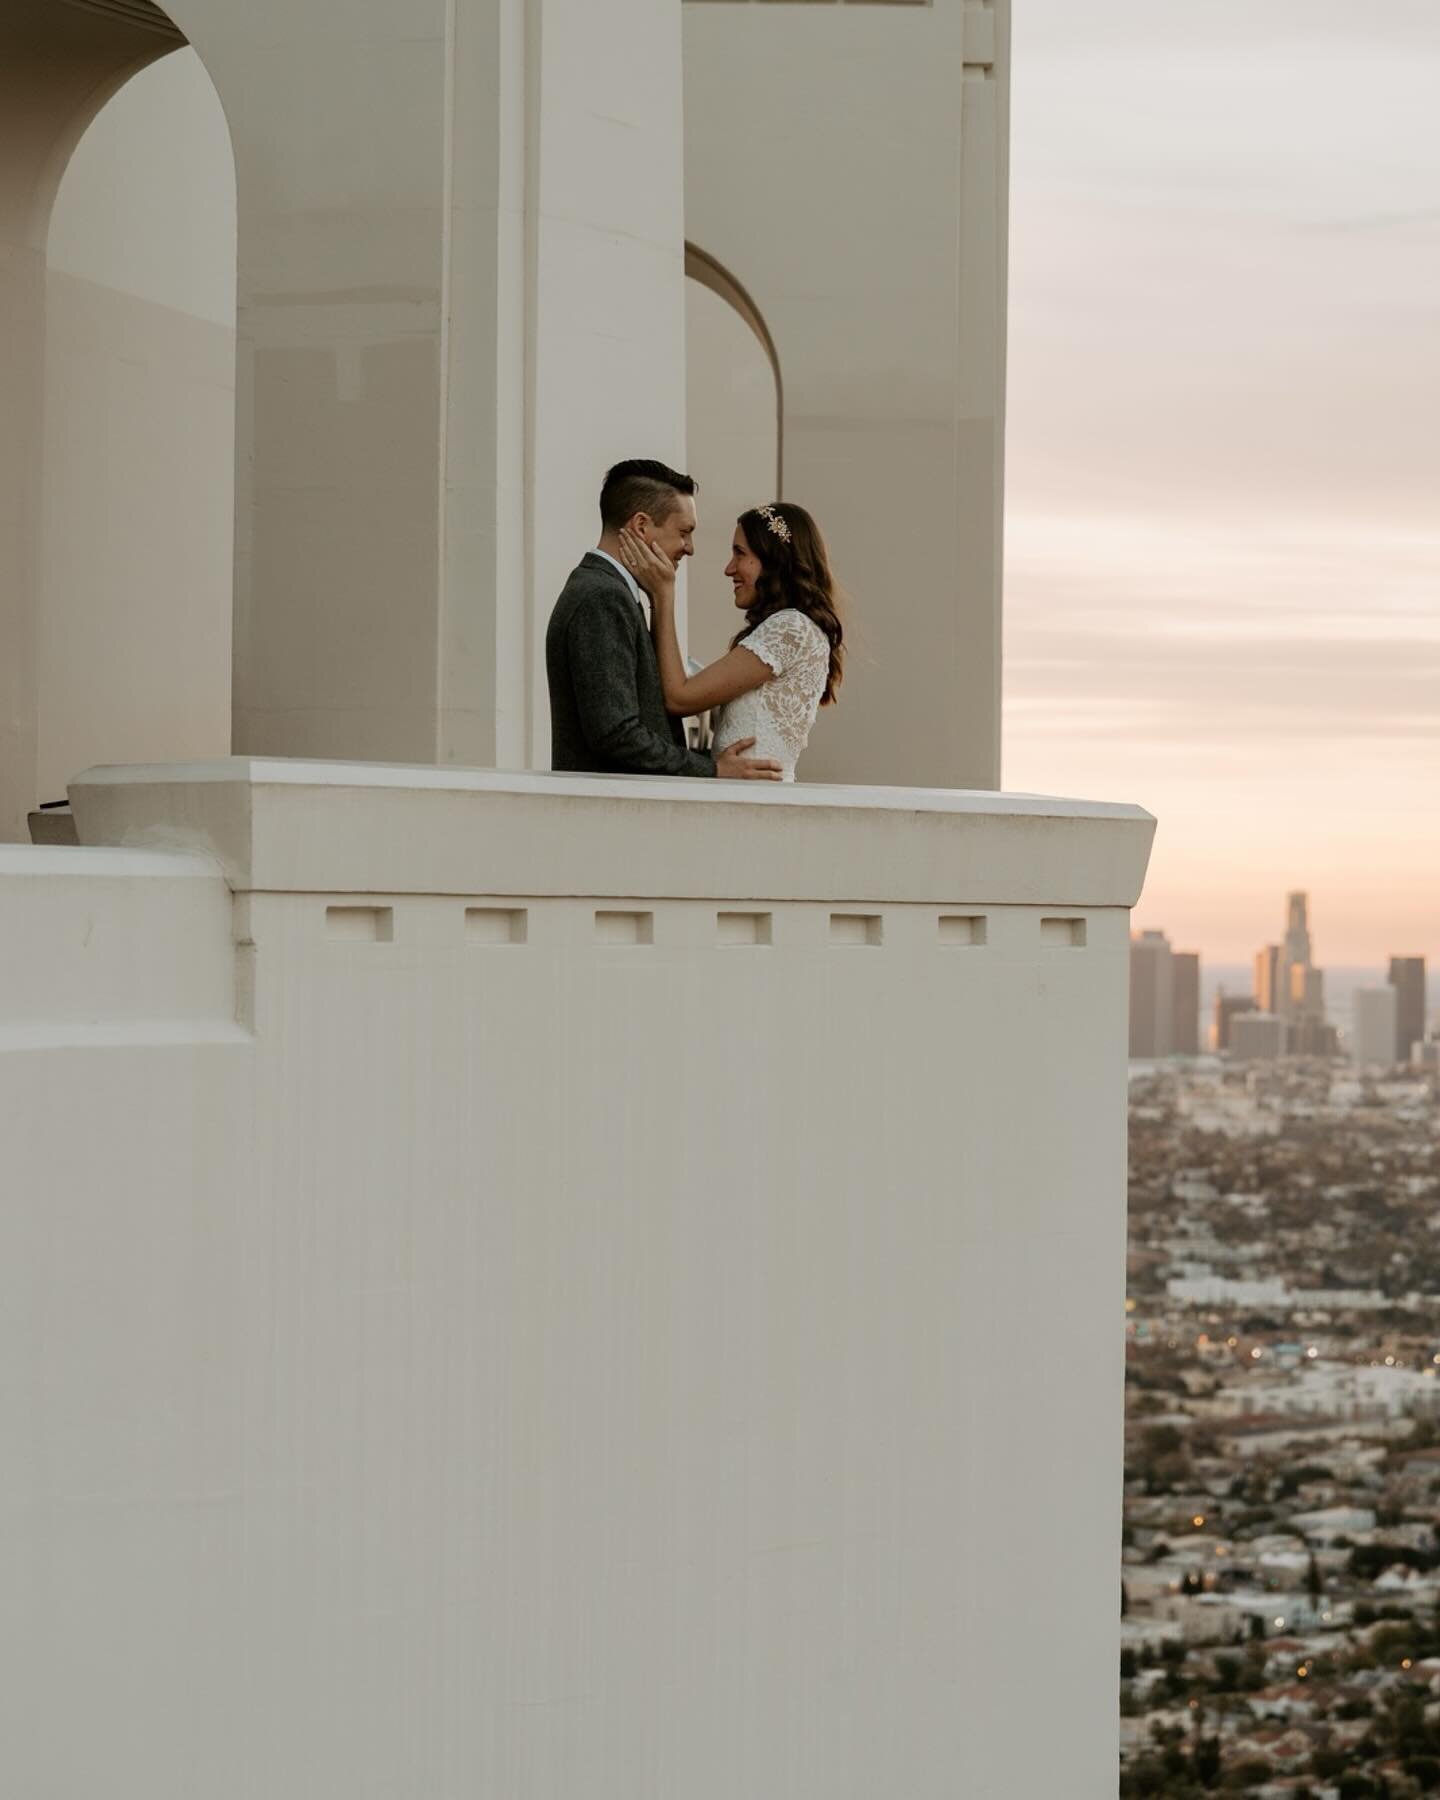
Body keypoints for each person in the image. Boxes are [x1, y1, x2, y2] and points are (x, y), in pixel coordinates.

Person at [546, 460, 782, 780]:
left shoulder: (608, 590)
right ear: (641, 526)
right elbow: (616, 734)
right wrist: (712, 769)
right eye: (684, 532)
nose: (690, 548)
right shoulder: (602, 597)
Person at [618, 501, 844, 783]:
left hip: (753, 804)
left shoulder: (791, 628)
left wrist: (663, 595)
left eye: (740, 553)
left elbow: (678, 697)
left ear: (774, 560)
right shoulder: (794, 628)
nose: (729, 568)